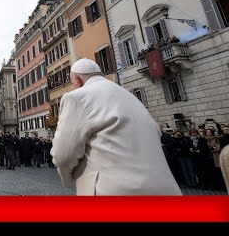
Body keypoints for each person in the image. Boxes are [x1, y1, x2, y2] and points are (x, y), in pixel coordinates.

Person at [50, 58, 182, 195]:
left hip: (114, 191)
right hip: (164, 190)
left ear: (78, 80)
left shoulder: (76, 97)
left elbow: (63, 155)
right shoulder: (131, 96)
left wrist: (67, 178)